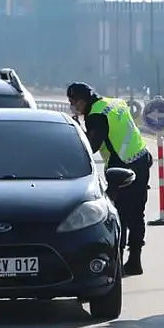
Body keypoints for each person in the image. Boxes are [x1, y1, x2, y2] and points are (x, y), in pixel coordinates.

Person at [66, 82, 153, 276]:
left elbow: (92, 146)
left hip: (122, 166)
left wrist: (78, 130)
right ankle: (135, 261)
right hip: (141, 158)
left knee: (119, 214)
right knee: (137, 214)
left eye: (73, 102)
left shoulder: (95, 115)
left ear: (82, 100)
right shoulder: (115, 103)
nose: (73, 106)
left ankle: (118, 262)